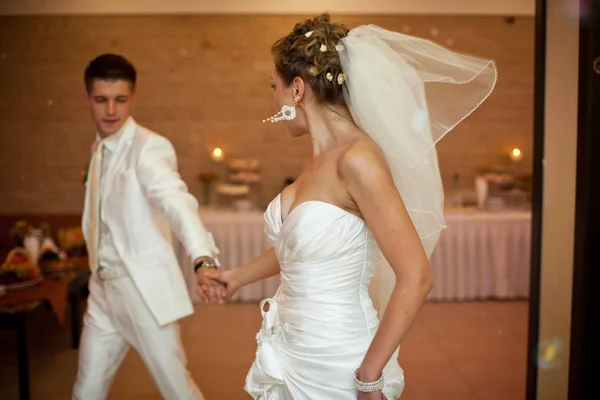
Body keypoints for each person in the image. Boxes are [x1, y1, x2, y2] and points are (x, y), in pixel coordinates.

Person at [201, 14, 497, 399]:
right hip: (289, 349)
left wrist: (369, 374)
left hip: (340, 359)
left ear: (296, 89)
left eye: (273, 87)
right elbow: (302, 251)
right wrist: (238, 276)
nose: (272, 98)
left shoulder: (359, 159)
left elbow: (416, 277)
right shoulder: (317, 162)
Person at [73, 53, 222, 400]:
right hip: (101, 290)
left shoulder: (148, 148)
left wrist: (203, 258)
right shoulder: (99, 148)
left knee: (177, 390)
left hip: (142, 290)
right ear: (87, 99)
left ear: (133, 99)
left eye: (120, 100)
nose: (111, 110)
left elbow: (176, 201)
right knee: (86, 391)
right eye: (101, 100)